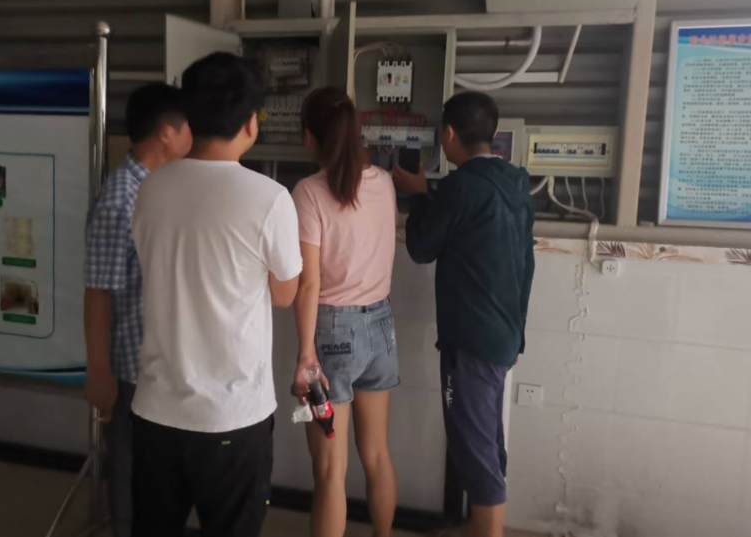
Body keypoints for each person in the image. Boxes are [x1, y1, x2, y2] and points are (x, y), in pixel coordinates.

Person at [130, 52, 303, 537]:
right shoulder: (269, 198)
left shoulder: (150, 188)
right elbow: (284, 294)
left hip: (156, 408)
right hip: (232, 414)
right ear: (251, 122)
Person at [393, 92, 535, 537]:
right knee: (487, 441)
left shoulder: (461, 188)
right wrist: (428, 192)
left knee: (474, 450)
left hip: (471, 342)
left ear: (449, 135)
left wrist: (419, 197)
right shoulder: (515, 184)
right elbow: (522, 260)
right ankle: (480, 527)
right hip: (503, 336)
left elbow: (421, 247)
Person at [84, 83, 192, 537]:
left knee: (157, 477)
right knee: (129, 475)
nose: (193, 136)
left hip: (158, 366)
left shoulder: (159, 188)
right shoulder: (120, 199)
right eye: (187, 127)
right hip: (129, 370)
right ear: (167, 132)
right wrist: (99, 370)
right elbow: (99, 292)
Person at [291, 87, 399, 537]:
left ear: (309, 137)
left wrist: (305, 356)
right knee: (376, 454)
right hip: (381, 325)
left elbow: (309, 283)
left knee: (330, 473)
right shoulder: (384, 182)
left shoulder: (308, 193)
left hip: (333, 330)